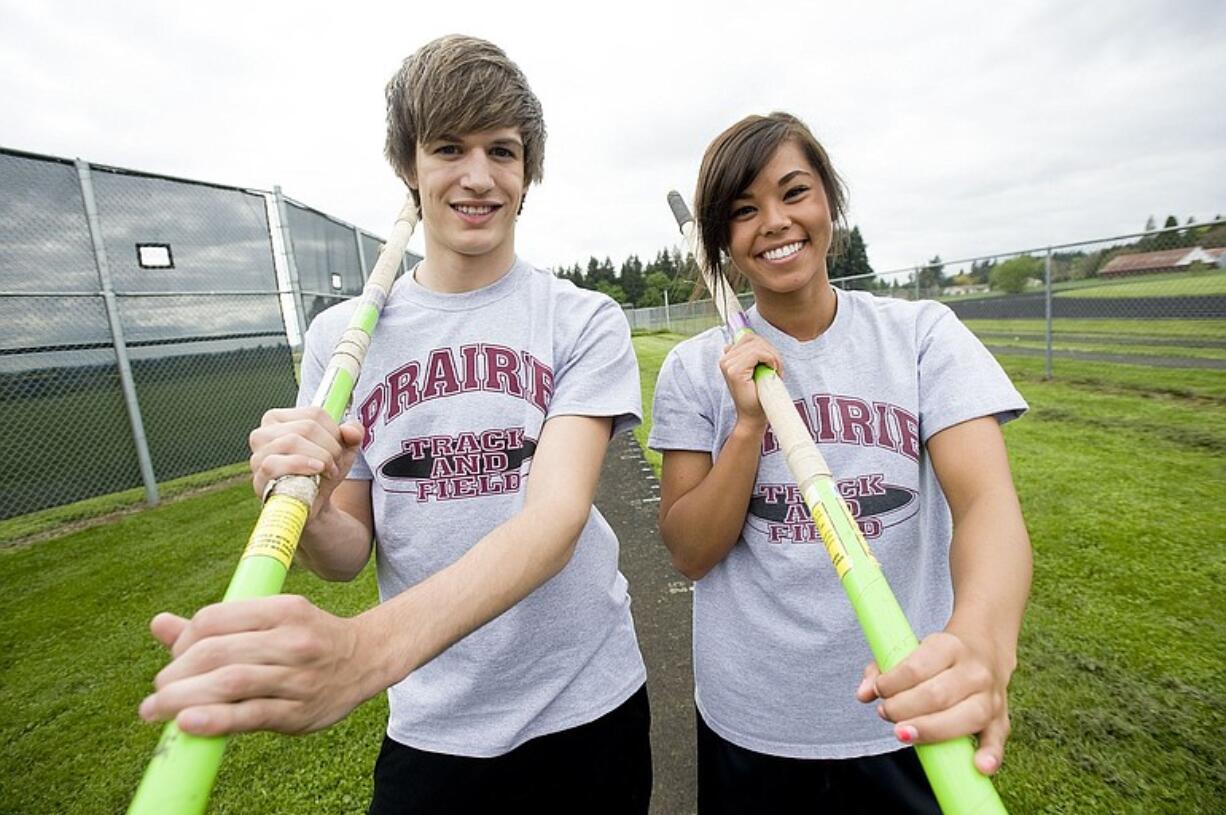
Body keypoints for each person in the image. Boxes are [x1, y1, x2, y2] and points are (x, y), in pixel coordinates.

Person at [138, 35, 651, 814]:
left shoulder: (581, 320)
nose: (478, 176)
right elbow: (347, 554)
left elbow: (555, 518)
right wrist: (308, 508)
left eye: (502, 151)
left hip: (587, 706)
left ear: (527, 173)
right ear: (409, 170)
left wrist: (362, 651)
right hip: (435, 721)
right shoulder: (337, 336)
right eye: (449, 147)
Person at [648, 111, 1031, 813]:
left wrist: (980, 638)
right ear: (722, 240)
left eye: (794, 192)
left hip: (909, 716)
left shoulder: (921, 337)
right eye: (742, 210)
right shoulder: (691, 370)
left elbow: (987, 504)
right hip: (753, 723)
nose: (773, 221)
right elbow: (690, 552)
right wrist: (746, 428)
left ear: (829, 199)